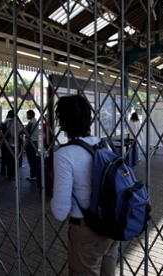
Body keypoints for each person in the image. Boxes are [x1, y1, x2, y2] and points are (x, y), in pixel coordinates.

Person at [51, 95, 119, 275]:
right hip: (111, 228)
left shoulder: (65, 155)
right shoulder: (103, 144)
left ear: (62, 122)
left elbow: (60, 212)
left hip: (87, 234)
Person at [1, 110, 23, 180]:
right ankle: (12, 174)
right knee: (12, 160)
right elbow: (14, 133)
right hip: (13, 142)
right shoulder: (13, 122)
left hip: (6, 143)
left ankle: (10, 173)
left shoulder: (6, 121)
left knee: (9, 159)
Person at [24, 109, 39, 181]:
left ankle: (33, 175)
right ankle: (34, 174)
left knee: (31, 159)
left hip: (30, 142)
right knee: (34, 159)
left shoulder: (31, 122)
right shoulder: (35, 121)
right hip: (35, 142)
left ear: (31, 115)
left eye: (28, 115)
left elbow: (25, 130)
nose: (27, 116)